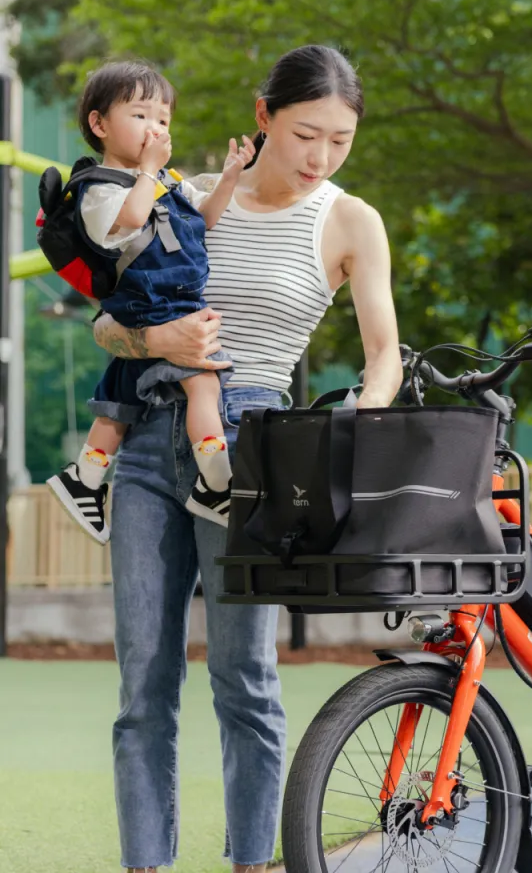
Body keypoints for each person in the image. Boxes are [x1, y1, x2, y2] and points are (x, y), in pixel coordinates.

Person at [91, 44, 403, 873]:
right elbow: (105, 326)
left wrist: (363, 426)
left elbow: (384, 356)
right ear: (263, 116)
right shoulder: (183, 196)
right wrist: (154, 336)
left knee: (246, 679)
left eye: (340, 140)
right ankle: (146, 864)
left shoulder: (348, 220)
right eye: (306, 134)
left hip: (253, 454)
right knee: (143, 691)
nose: (320, 157)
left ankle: (252, 863)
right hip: (152, 442)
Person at [45, 61, 257, 542]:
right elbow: (129, 218)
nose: (155, 129)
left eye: (163, 119)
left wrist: (227, 178)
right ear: (100, 125)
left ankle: (84, 477)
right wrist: (146, 171)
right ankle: (216, 484)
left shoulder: (165, 178)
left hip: (167, 300)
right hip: (148, 303)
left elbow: (202, 220)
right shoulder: (98, 187)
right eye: (141, 116)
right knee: (203, 381)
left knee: (119, 403)